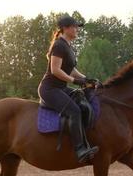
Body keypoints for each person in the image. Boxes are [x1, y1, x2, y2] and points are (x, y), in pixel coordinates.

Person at [37, 15, 99, 163]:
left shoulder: (68, 46)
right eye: (75, 26)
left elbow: (71, 70)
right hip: (49, 90)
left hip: (60, 88)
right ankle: (80, 150)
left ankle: (83, 140)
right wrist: (76, 81)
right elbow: (55, 70)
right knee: (74, 111)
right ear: (65, 28)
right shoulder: (59, 45)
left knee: (83, 101)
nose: (77, 29)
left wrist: (86, 79)